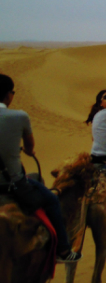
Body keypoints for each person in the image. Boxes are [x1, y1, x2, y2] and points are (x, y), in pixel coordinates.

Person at [0, 74, 81, 263]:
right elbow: (29, 147)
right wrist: (26, 151)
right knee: (52, 200)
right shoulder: (19, 116)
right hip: (12, 183)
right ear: (8, 95)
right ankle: (63, 250)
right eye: (13, 92)